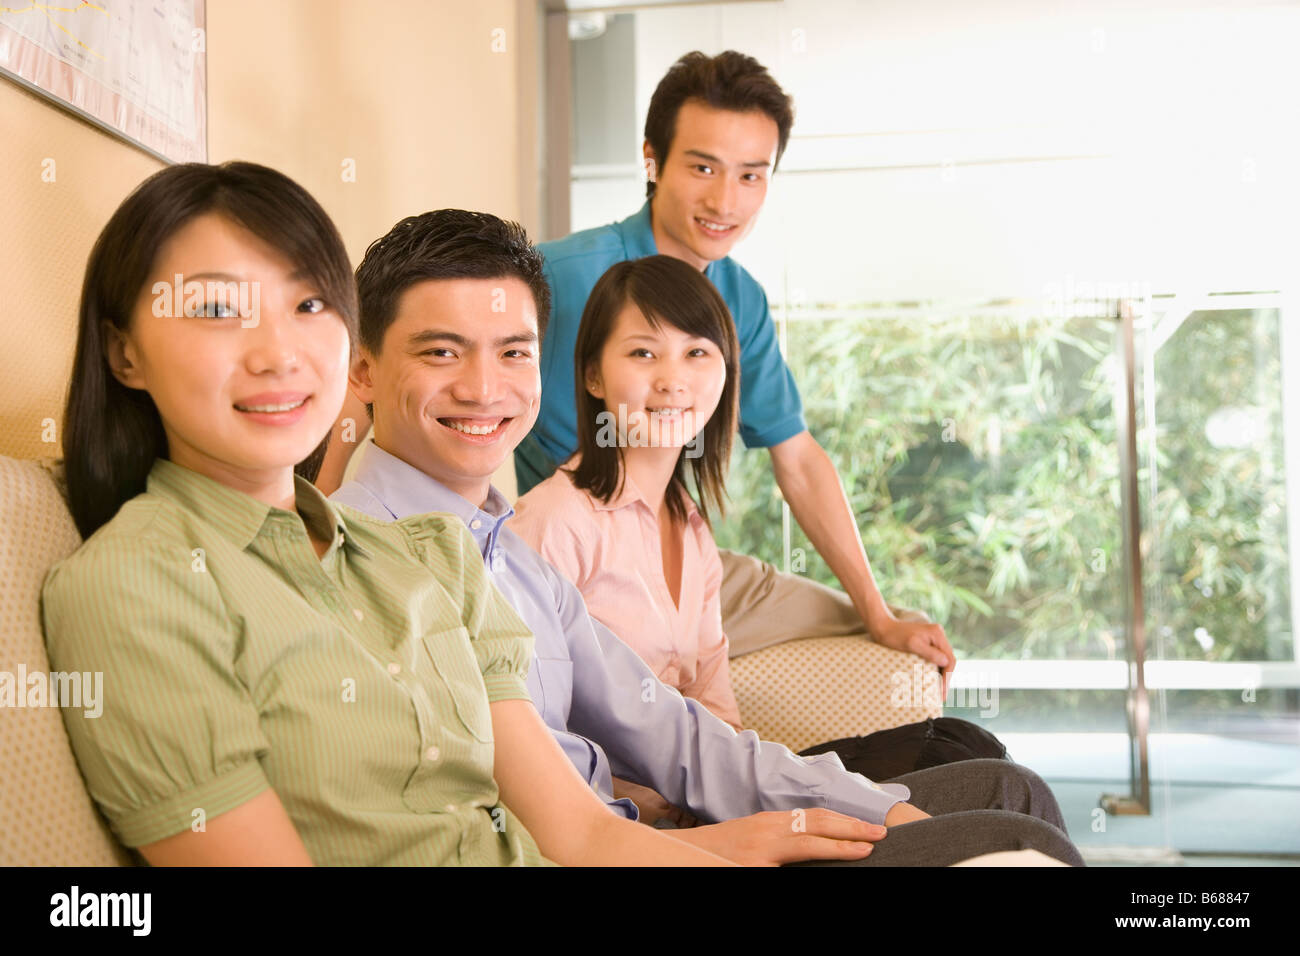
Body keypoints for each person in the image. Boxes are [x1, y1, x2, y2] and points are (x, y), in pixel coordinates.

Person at [330, 208, 1083, 866]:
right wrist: (708, 843)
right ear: (362, 368)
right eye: (440, 351)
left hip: (656, 835)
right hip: (642, 852)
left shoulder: (512, 553)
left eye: (513, 352)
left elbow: (674, 728)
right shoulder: (373, 561)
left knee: (1005, 789)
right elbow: (508, 828)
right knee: (1016, 840)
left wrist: (870, 807)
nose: (484, 387)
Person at [39, 161, 733, 867]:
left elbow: (585, 836)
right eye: (218, 310)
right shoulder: (135, 585)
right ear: (124, 352)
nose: (279, 354)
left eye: (309, 306)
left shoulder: (436, 552)